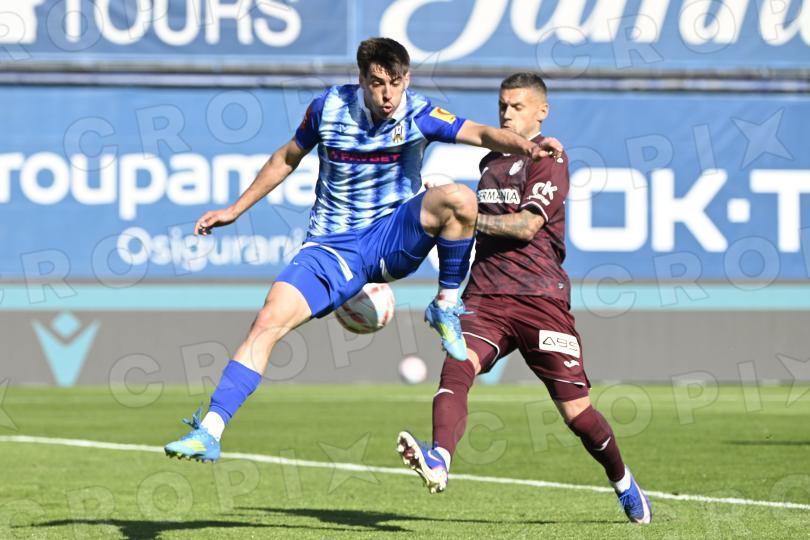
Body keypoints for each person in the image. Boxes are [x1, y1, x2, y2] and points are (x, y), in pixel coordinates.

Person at [163, 39, 563, 462]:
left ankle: (446, 304)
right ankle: (210, 431)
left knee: (460, 198)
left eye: (396, 82)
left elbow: (481, 133)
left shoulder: (419, 112)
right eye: (377, 83)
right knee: (267, 321)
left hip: (393, 236)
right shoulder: (328, 108)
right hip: (331, 246)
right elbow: (286, 157)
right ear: (361, 79)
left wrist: (529, 148)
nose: (388, 94)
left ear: (407, 79)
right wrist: (234, 209)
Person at [396, 73, 652, 524]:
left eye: (517, 106)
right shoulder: (490, 160)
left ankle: (623, 481)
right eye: (502, 106)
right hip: (486, 296)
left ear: (541, 111)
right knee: (457, 366)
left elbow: (526, 227)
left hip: (539, 299)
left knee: (577, 414)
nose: (507, 114)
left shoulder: (549, 158)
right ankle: (439, 460)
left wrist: (464, 216)